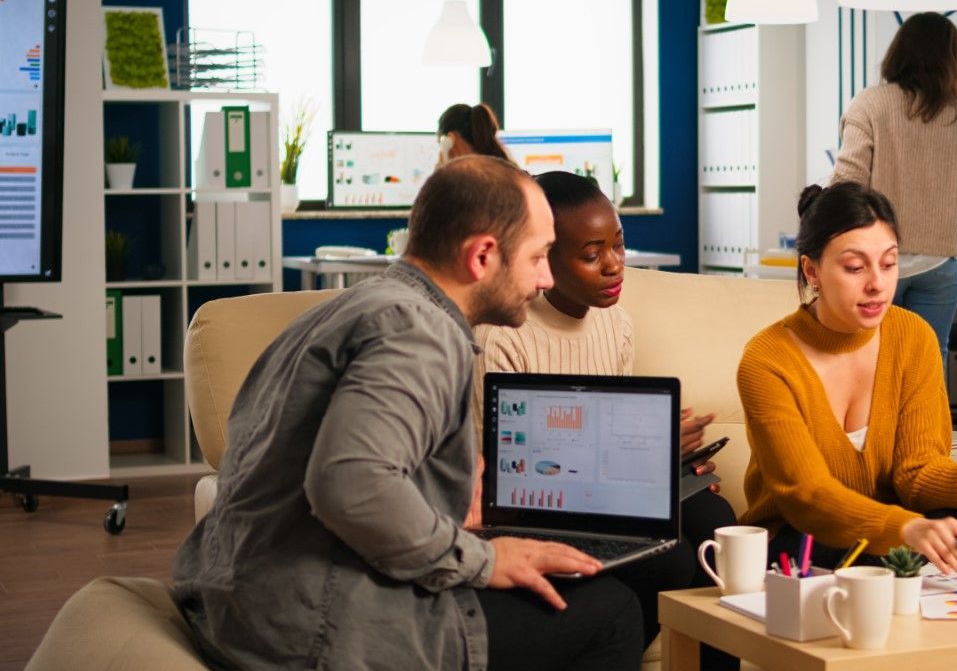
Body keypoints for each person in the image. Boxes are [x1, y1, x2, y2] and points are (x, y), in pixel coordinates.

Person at [172, 156, 643, 671]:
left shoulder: (351, 308)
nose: (545, 278)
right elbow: (348, 482)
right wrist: (485, 560)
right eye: (538, 257)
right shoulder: (418, 332)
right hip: (308, 626)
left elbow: (298, 458)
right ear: (483, 256)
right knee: (613, 609)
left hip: (232, 599)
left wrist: (442, 508)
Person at [469, 171, 738, 659]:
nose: (614, 266)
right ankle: (599, 640)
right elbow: (514, 471)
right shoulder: (503, 337)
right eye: (591, 255)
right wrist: (641, 457)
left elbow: (608, 433)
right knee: (672, 561)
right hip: (536, 504)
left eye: (618, 245)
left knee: (716, 519)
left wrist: (666, 465)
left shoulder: (615, 321)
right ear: (544, 259)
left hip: (607, 487)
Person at [736, 181, 957, 576]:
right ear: (811, 270)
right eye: (855, 268)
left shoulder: (913, 337)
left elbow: (917, 472)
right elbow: (808, 496)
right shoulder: (768, 360)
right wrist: (905, 527)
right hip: (800, 538)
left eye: (889, 264)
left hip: (897, 526)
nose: (877, 283)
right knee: (876, 559)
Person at [831, 11, 957, 369]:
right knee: (927, 367)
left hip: (877, 264)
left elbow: (846, 184)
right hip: (939, 266)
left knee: (871, 365)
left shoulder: (870, 104)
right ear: (951, 60)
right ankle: (925, 428)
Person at [438, 102, 515, 166]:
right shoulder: (509, 170)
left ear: (451, 139)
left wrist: (443, 171)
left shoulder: (462, 180)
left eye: (440, 143)